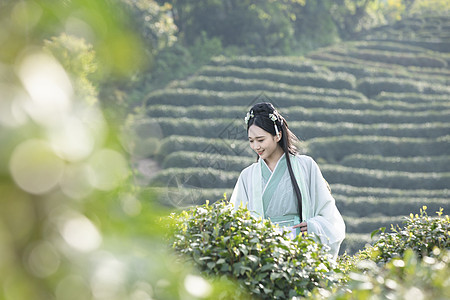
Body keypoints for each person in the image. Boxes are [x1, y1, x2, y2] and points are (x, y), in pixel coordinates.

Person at [230, 102, 345, 258]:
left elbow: (328, 213)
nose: (256, 146)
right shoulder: (247, 175)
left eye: (261, 140)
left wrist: (314, 227)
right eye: (251, 141)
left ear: (277, 135)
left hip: (300, 249)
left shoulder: (306, 165)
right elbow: (236, 220)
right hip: (263, 253)